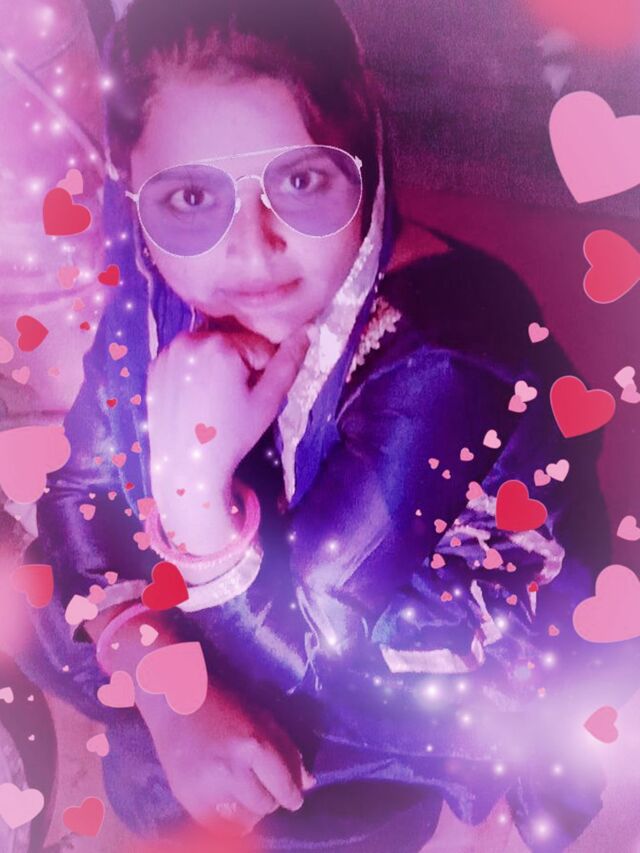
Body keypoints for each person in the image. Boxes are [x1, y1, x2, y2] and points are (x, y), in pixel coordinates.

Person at [14, 1, 635, 850]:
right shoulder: (154, 286)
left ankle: (385, 803)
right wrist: (159, 677)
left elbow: (323, 650)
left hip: (418, 653)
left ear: (366, 155)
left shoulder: (445, 355)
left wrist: (194, 498)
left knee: (195, 777)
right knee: (54, 619)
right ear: (134, 186)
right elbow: (75, 494)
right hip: (276, 590)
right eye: (191, 196)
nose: (252, 250)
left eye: (301, 182)